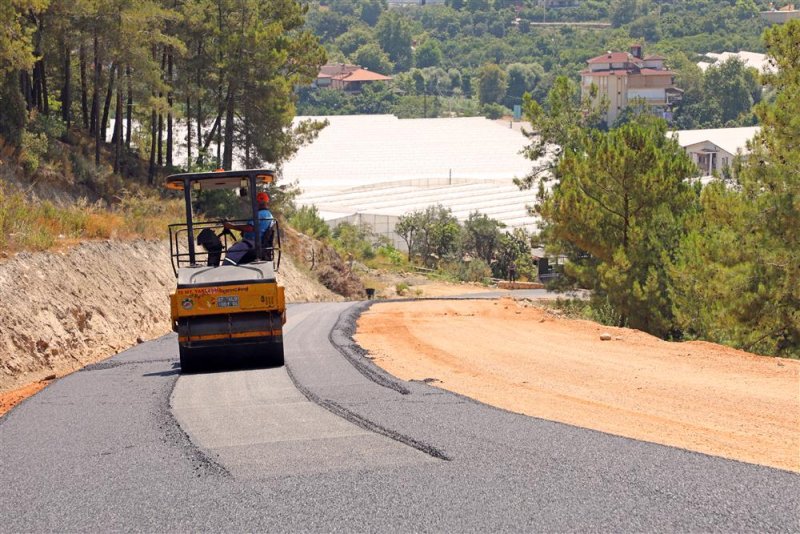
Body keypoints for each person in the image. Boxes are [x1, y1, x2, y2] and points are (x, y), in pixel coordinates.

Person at [222, 192, 274, 266]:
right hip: (258, 242)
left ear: (258, 202)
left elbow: (249, 228)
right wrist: (243, 231)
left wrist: (231, 226)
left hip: (253, 243)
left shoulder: (259, 214)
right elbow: (255, 228)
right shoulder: (269, 215)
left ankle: (224, 271)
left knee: (232, 251)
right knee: (236, 247)